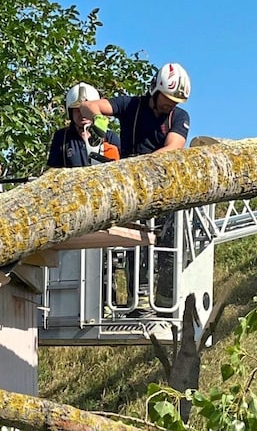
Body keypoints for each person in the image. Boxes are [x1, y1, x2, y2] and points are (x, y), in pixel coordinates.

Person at [79, 63, 192, 312]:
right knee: (133, 241)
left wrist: (145, 166)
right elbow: (90, 105)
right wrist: (97, 119)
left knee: (166, 242)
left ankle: (165, 298)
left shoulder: (179, 117)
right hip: (130, 186)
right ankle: (137, 297)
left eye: (175, 101)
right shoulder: (132, 106)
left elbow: (174, 147)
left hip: (163, 186)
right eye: (167, 99)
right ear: (155, 90)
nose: (170, 105)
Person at [47, 82, 121, 168]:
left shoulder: (109, 137)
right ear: (71, 113)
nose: (82, 114)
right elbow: (53, 171)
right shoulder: (62, 138)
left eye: (86, 110)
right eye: (77, 110)